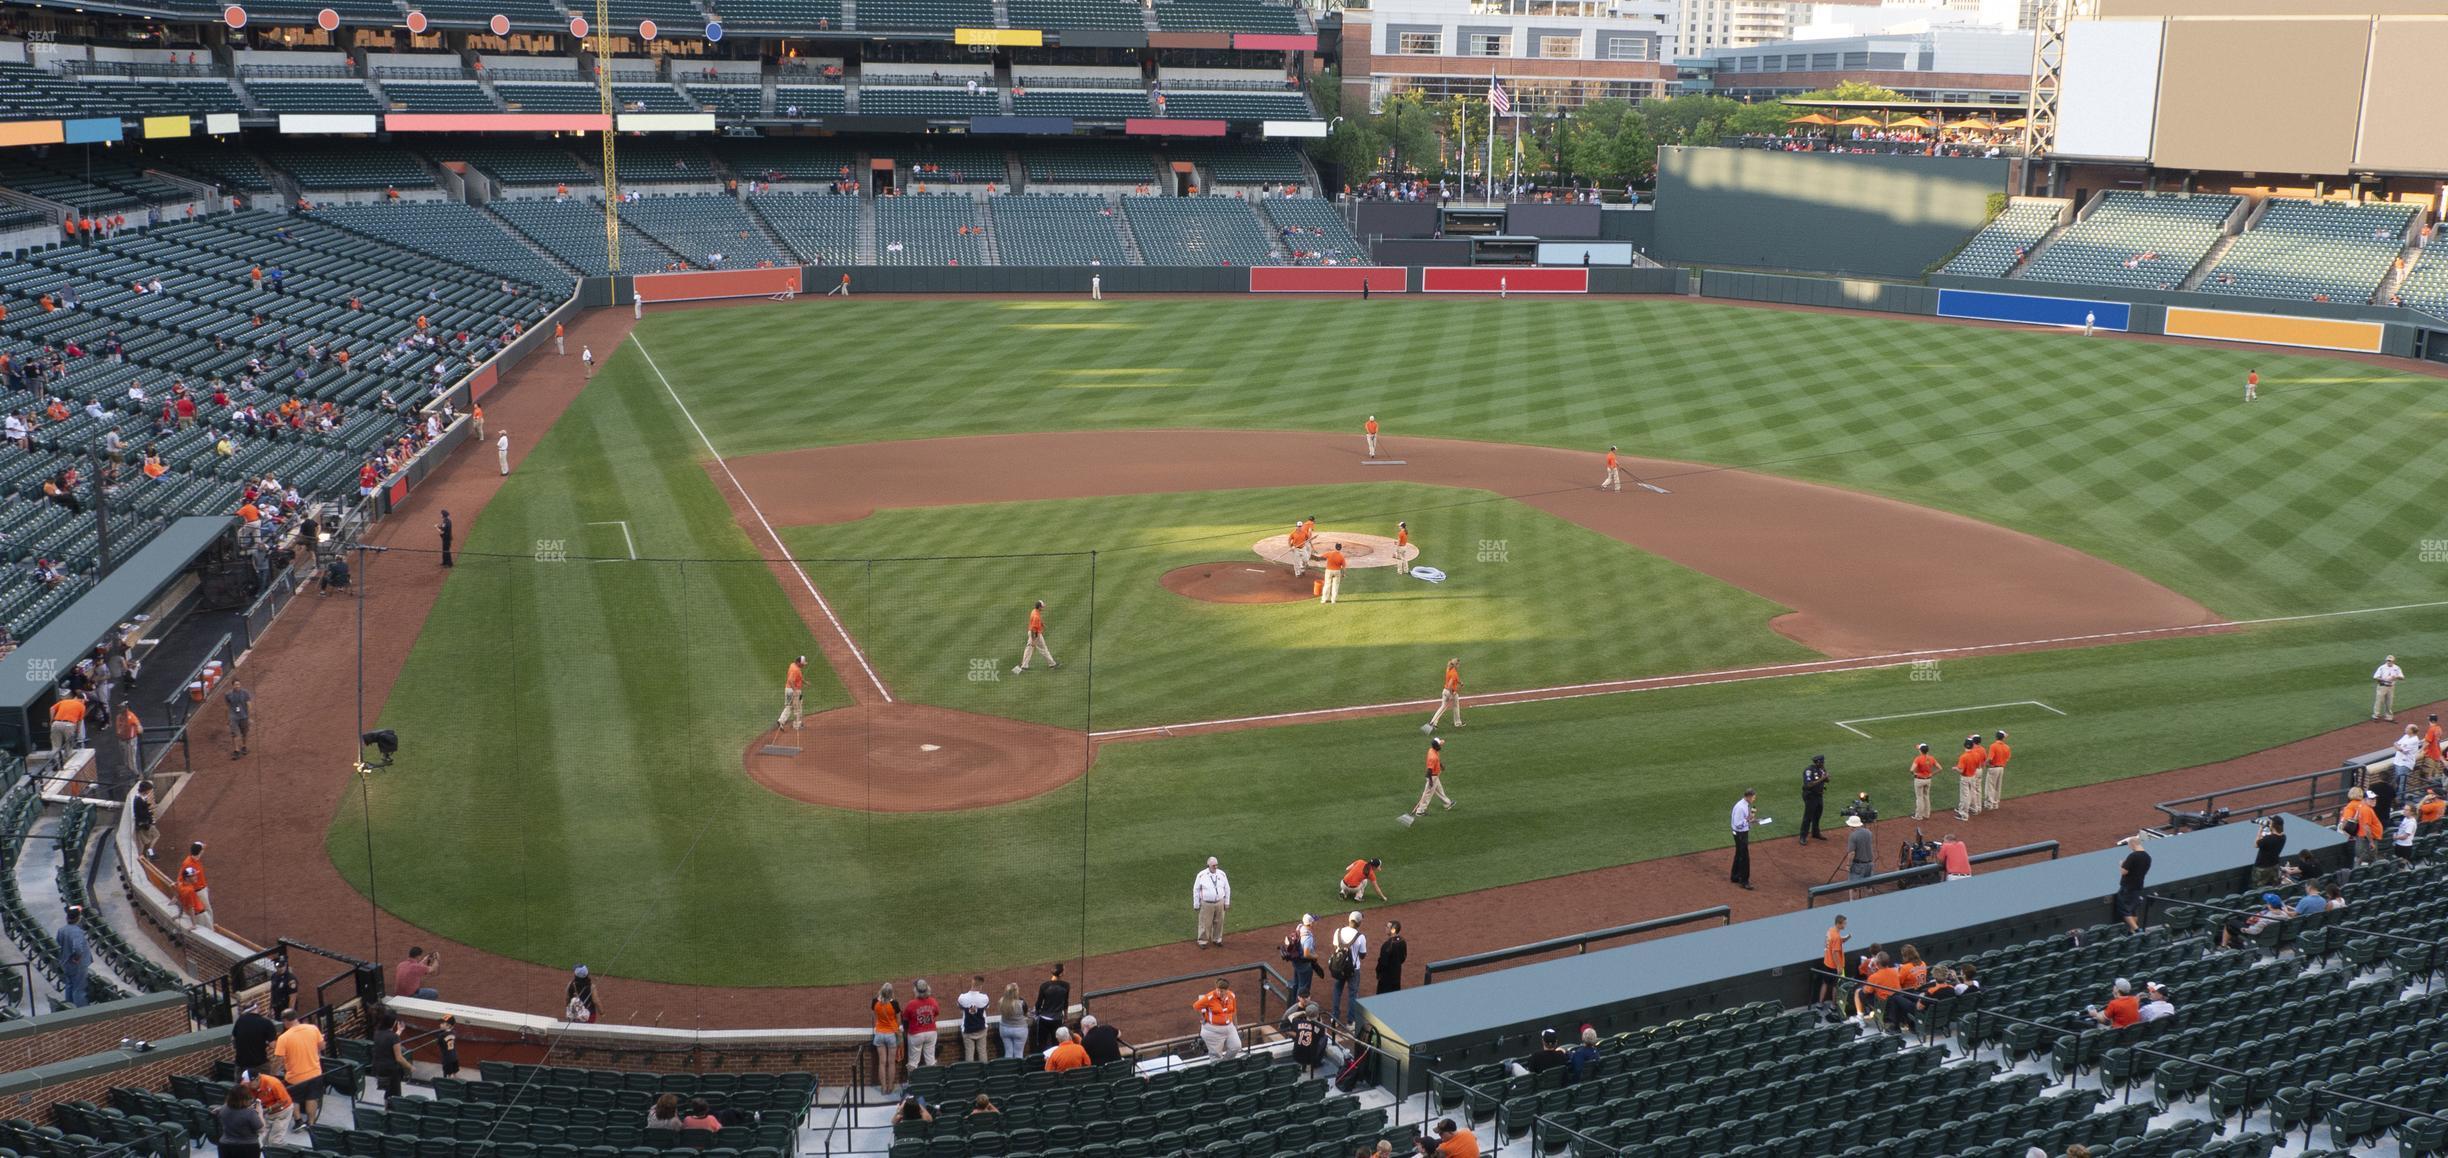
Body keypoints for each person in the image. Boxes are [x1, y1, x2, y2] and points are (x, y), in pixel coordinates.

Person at [273, 1010, 325, 1126]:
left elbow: (278, 1060)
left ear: (285, 1021)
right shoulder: (313, 1028)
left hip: (295, 1076)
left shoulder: (283, 1038)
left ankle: (298, 1121)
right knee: (312, 1098)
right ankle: (311, 1123)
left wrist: (273, 1073)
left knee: (293, 1098)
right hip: (315, 1073)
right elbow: (322, 1046)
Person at [1328, 911, 1369, 1026]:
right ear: (1359, 923)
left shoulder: (1338, 931)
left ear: (1349, 919)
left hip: (1339, 966)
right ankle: (1351, 1022)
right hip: (1353, 970)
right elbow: (1363, 955)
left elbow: (1335, 946)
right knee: (1353, 994)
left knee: (1337, 991)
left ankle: (1334, 1018)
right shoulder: (1361, 937)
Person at [1403, 738, 1452, 825]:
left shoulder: (1433, 749)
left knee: (1439, 790)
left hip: (1435, 775)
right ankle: (1420, 811)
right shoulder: (1432, 757)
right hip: (1432, 777)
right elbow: (1428, 772)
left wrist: (1441, 765)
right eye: (1439, 745)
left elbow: (1438, 756)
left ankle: (1447, 803)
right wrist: (1430, 781)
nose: (1440, 746)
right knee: (1427, 794)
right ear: (1436, 746)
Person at [1193, 975, 1241, 1057]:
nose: (1219, 992)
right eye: (1218, 990)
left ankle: (1225, 1063)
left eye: (1222, 991)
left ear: (1227, 990)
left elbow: (1234, 1011)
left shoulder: (1231, 996)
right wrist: (1202, 1019)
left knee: (1236, 1047)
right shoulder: (1209, 997)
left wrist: (1236, 1026)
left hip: (1229, 1027)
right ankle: (1219, 1067)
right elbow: (1196, 1006)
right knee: (1216, 1055)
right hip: (1213, 1030)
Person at [2113, 834, 2151, 933]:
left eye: (2129, 845)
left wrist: (2121, 865)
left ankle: (2137, 931)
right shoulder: (2148, 857)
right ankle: (2132, 933)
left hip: (2128, 887)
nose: (2129, 847)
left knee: (2125, 911)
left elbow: (2124, 872)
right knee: (2133, 910)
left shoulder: (2133, 856)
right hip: (2138, 886)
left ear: (2133, 844)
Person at [217, 1081, 265, 1158]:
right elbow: (261, 1129)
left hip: (225, 1146)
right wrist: (260, 1113)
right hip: (247, 1148)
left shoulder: (223, 1108)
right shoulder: (250, 1113)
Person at [1030, 963, 1069, 1054]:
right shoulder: (1066, 986)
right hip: (1057, 1019)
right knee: (1056, 1044)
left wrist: (1036, 1013)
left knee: (1041, 1044)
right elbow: (1065, 1003)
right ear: (1061, 974)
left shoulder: (1044, 986)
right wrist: (1066, 1016)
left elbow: (1038, 1004)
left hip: (1044, 1019)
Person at [870, 982, 902, 1092]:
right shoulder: (895, 1004)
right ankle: (890, 1086)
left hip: (879, 1034)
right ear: (891, 993)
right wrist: (894, 1028)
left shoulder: (875, 1001)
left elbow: (874, 1017)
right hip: (891, 1035)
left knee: (882, 1063)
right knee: (891, 1063)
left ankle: (883, 1087)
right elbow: (898, 1020)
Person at [903, 978, 940, 1071]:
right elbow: (936, 1013)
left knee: (913, 1062)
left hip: (916, 1034)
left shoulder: (911, 1004)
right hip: (931, 1032)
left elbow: (905, 1019)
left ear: (916, 990)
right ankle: (933, 1082)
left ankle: (913, 1083)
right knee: (931, 1060)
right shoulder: (933, 1001)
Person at [56, 905, 90, 1006]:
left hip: (65, 962)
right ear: (78, 919)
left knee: (69, 985)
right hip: (77, 965)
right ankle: (81, 1012)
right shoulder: (77, 931)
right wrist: (77, 957)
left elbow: (58, 943)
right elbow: (78, 948)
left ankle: (69, 1006)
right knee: (79, 988)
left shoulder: (62, 930)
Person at [1194, 856, 1232, 947]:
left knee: (1219, 922)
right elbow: (1196, 890)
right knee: (1205, 923)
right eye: (1213, 865)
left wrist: (1227, 902)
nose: (1215, 867)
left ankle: (1217, 939)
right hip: (1206, 903)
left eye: (1216, 865)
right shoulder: (1201, 875)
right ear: (1208, 865)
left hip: (1220, 902)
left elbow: (1227, 888)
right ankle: (1202, 941)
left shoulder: (1222, 874)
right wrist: (1196, 904)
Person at [245, 1071, 293, 1142]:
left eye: (249, 1083)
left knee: (275, 1140)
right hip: (268, 1111)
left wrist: (267, 1110)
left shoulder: (273, 1083)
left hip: (283, 1111)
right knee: (264, 1140)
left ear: (257, 1079)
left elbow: (283, 1101)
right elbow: (253, 1098)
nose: (248, 1085)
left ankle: (282, 1152)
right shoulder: (250, 1085)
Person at [2339, 787, 2382, 865]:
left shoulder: (2360, 806)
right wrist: (2371, 841)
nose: (2374, 800)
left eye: (2375, 799)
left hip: (2361, 838)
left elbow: (2346, 821)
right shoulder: (2364, 807)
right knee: (2364, 861)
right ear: (2364, 799)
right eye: (2371, 799)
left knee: (2360, 860)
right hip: (2365, 839)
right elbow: (2366, 826)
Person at [369, 1011, 407, 1099]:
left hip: (379, 1067)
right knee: (393, 1093)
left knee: (389, 1092)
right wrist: (410, 1067)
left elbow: (389, 1039)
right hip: (390, 1070)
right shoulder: (392, 1037)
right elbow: (399, 1058)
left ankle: (388, 1108)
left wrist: (399, 1031)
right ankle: (390, 1110)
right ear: (393, 1022)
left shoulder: (378, 1033)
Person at [231, 1000, 278, 1070]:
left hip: (241, 1065)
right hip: (259, 1065)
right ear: (257, 1009)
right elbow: (273, 1045)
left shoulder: (239, 1021)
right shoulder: (267, 1023)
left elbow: (233, 1040)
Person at [1015, 600, 1057, 672]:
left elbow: (1038, 621)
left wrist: (1042, 624)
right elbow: (1033, 630)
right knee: (1043, 649)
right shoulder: (1036, 616)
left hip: (1033, 633)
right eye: (1042, 607)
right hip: (1035, 634)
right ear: (1039, 607)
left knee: (1029, 648)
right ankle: (1052, 664)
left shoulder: (1034, 611)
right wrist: (1033, 640)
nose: (1043, 608)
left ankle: (1024, 665)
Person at [957, 975, 991, 1063]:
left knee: (969, 1053)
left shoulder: (962, 997)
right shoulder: (985, 998)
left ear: (972, 983)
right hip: (981, 1029)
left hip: (968, 1029)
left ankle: (971, 1073)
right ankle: (984, 1073)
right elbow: (986, 1007)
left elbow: (960, 1007)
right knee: (982, 1052)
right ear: (981, 986)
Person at [1729, 789, 1758, 890]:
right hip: (1740, 834)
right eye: (1754, 797)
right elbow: (1738, 824)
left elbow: (1743, 820)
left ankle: (1735, 876)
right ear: (1749, 796)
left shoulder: (1744, 804)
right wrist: (1749, 822)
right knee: (1744, 857)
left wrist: (1750, 818)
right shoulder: (1741, 807)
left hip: (1739, 833)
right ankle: (1744, 881)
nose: (1754, 799)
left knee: (1739, 854)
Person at [1425, 659, 1464, 731]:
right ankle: (1457, 723)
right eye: (1458, 664)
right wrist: (1453, 693)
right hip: (1450, 692)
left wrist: (1460, 682)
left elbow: (1454, 680)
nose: (1459, 665)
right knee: (1455, 706)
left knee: (1443, 707)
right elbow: (1450, 685)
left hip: (1445, 691)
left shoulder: (1449, 669)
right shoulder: (1454, 673)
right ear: (1456, 665)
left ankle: (1433, 723)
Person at [1954, 736, 1986, 820]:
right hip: (1973, 776)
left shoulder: (1963, 756)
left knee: (1965, 795)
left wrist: (1955, 768)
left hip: (1965, 778)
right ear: (1972, 745)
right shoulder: (1977, 755)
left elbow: (1961, 770)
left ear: (1965, 745)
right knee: (1973, 793)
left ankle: (1964, 815)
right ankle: (1975, 809)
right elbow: (1979, 766)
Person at [1799, 755, 1829, 844]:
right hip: (1810, 796)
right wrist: (1822, 778)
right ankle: (1803, 836)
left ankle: (1815, 833)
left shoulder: (1822, 769)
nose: (1823, 764)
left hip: (1819, 796)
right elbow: (1808, 785)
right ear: (1817, 762)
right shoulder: (1809, 771)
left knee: (1817, 815)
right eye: (1822, 762)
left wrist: (1825, 776)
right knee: (1808, 817)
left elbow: (1827, 780)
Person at [1819, 915, 1848, 1003]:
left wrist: (1846, 938)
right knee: (1836, 986)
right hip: (1834, 966)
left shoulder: (1830, 930)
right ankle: (1833, 1006)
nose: (1845, 925)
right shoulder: (1836, 937)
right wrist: (1839, 967)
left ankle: (1820, 1004)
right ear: (1839, 924)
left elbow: (1835, 942)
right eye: (1844, 924)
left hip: (1826, 962)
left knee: (1825, 983)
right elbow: (1835, 952)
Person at [996, 981, 1029, 1059]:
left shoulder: (1001, 1001)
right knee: (1018, 1054)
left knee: (1008, 1053)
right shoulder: (1021, 1003)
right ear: (1016, 992)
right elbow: (1025, 1014)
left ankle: (1008, 1070)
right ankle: (1018, 1071)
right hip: (1020, 1030)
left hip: (1005, 1029)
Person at [775, 655, 806, 733]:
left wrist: (805, 682)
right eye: (802, 664)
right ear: (798, 663)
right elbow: (790, 680)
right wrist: (795, 690)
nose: (803, 665)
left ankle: (781, 721)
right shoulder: (796, 670)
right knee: (798, 707)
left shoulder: (792, 665)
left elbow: (798, 678)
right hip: (793, 691)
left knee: (789, 706)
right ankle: (797, 725)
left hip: (788, 690)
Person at [1375, 920, 1407, 994]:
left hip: (1386, 979)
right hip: (1396, 976)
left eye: (1387, 927)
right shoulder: (1402, 941)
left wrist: (1378, 972)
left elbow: (1383, 963)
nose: (1385, 928)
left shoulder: (1387, 945)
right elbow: (1403, 958)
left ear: (1393, 930)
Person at [1909, 743, 1937, 821]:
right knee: (1926, 796)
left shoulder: (1918, 759)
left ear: (1920, 751)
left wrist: (1915, 773)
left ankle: (1919, 815)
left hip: (1919, 780)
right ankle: (1927, 814)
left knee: (1919, 798)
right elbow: (1940, 768)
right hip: (1928, 779)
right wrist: (1932, 773)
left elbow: (1911, 770)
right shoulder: (1931, 758)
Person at [226, 676, 252, 759]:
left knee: (244, 733)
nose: (237, 686)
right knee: (234, 734)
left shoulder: (245, 693)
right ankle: (236, 750)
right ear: (232, 685)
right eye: (236, 684)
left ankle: (244, 746)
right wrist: (228, 718)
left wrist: (249, 717)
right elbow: (227, 706)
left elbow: (249, 705)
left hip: (244, 716)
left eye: (238, 684)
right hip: (233, 717)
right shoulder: (228, 695)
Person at [2372, 654, 2404, 721]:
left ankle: (2388, 716)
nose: (2389, 662)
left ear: (2393, 661)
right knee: (2379, 701)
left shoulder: (2397, 668)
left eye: (2390, 661)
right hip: (2382, 686)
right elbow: (2375, 677)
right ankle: (2376, 715)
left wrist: (2396, 677)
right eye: (2388, 661)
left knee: (2389, 702)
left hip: (2391, 687)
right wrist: (2384, 680)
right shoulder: (2382, 667)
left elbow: (2402, 677)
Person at [1985, 731, 2010, 812]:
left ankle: (1989, 804)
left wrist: (1986, 764)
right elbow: (2007, 758)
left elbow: (1990, 759)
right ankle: (1995, 803)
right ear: (2003, 738)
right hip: (2001, 768)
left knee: (1990, 786)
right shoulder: (2007, 747)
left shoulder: (1993, 746)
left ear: (1996, 737)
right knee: (1997, 786)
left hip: (1993, 768)